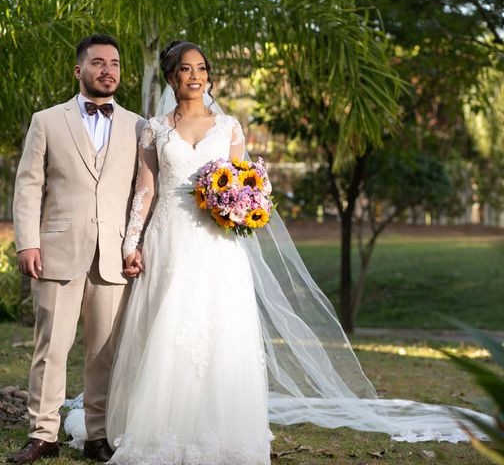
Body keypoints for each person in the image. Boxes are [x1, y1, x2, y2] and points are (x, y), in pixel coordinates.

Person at [98, 41, 489, 465]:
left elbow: (243, 182)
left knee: (218, 329)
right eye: (186, 69)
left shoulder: (228, 127)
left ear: (209, 76)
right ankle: (160, 431)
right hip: (169, 236)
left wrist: (243, 206)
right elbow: (145, 189)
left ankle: (220, 431)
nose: (195, 76)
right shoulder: (155, 129)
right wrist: (130, 241)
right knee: (167, 326)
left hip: (216, 243)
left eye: (202, 69)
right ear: (172, 77)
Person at [9, 34, 145, 464]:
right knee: (51, 347)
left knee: (105, 351)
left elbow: (143, 193)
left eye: (115, 64)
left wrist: (135, 245)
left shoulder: (139, 126)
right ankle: (43, 433)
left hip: (114, 257)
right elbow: (28, 185)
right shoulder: (46, 120)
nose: (108, 70)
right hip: (56, 251)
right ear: (79, 70)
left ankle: (98, 435)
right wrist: (27, 242)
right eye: (99, 62)